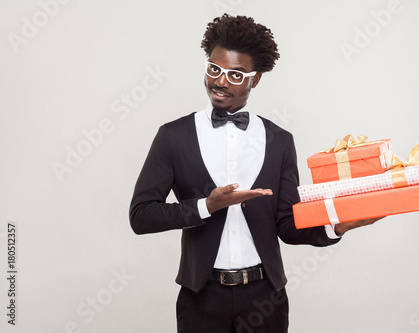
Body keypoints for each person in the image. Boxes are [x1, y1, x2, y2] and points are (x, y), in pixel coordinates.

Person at [129, 14, 382, 333]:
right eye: (214, 69)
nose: (220, 82)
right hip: (201, 298)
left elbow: (288, 225)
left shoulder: (280, 140)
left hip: (266, 298)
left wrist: (336, 225)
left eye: (235, 74)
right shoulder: (173, 136)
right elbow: (141, 215)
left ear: (256, 79)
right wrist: (208, 206)